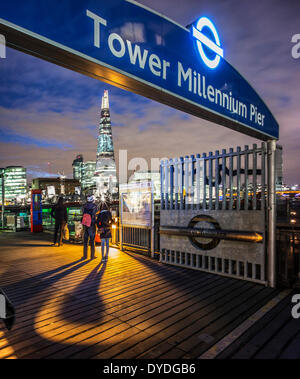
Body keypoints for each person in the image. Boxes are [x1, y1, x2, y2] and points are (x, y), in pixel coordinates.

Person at [82, 195, 98, 260]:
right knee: (92, 241)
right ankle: (92, 256)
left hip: (85, 225)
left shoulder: (84, 206)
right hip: (91, 225)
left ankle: (85, 256)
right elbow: (95, 214)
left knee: (85, 241)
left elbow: (82, 213)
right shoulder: (95, 206)